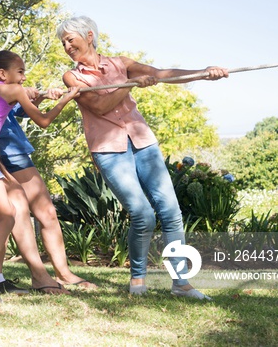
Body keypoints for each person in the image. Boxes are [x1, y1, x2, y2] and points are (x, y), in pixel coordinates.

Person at [57, 16, 228, 300]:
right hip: (109, 150)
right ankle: (138, 280)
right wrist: (131, 83)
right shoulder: (73, 77)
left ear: (88, 35)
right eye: (63, 42)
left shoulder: (120, 63)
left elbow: (162, 74)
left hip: (142, 142)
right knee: (142, 214)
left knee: (171, 211)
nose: (66, 46)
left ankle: (181, 283)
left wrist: (203, 73)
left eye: (70, 39)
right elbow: (99, 106)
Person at [0, 22, 97, 293]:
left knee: (32, 210)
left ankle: (11, 276)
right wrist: (62, 99)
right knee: (12, 211)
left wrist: (36, 96)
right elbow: (36, 118)